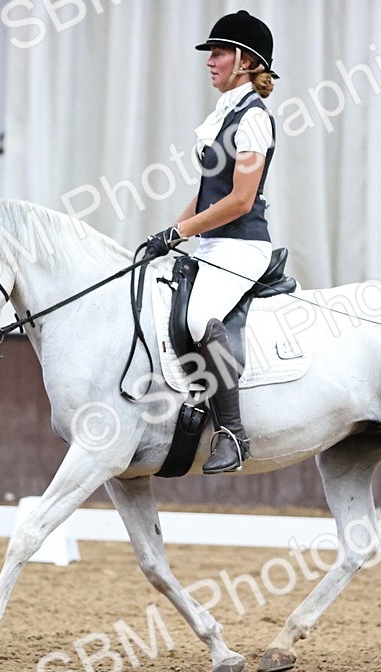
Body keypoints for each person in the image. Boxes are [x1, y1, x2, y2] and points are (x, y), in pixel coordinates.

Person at [143, 10, 279, 474]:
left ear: (244, 60)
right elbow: (206, 194)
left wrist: (181, 232)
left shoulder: (254, 118)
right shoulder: (223, 114)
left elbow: (241, 200)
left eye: (219, 52)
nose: (210, 61)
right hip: (212, 245)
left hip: (243, 246)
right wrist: (166, 237)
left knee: (201, 315)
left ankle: (233, 433)